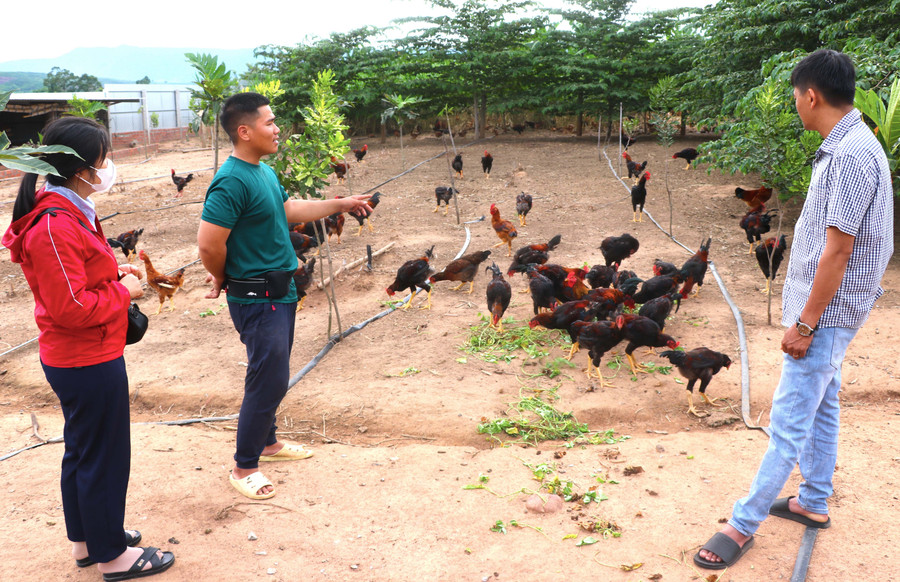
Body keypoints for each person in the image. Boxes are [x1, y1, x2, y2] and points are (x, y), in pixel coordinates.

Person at [694, 49, 893, 569]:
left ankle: (742, 525)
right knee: (823, 405)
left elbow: (840, 250)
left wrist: (806, 323)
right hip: (830, 309)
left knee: (787, 421)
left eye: (794, 98)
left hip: (824, 314)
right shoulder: (847, 142)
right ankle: (812, 501)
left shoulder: (850, 154)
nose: (795, 106)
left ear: (811, 95)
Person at [2, 117, 175, 580]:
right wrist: (127, 294)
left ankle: (87, 542)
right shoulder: (54, 225)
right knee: (104, 455)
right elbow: (72, 308)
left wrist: (111, 272)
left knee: (83, 450)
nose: (107, 168)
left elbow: (76, 280)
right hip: (86, 357)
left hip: (86, 353)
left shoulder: (72, 211)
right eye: (102, 160)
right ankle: (112, 555)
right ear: (81, 168)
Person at [197, 92, 371, 500]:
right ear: (245, 131)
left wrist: (339, 203)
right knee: (268, 377)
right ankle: (244, 466)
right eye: (270, 122)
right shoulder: (231, 181)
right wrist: (223, 277)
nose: (277, 129)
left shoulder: (262, 172)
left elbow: (288, 209)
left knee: (271, 372)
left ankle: (269, 443)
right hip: (256, 296)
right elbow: (208, 245)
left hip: (280, 291)